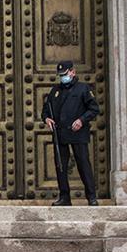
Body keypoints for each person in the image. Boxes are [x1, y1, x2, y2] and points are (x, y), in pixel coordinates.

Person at [40, 60, 100, 206]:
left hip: (78, 133)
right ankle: (64, 197)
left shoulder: (83, 89)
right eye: (61, 75)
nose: (63, 77)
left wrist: (81, 120)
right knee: (61, 166)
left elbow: (94, 109)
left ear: (73, 72)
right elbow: (46, 110)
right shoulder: (55, 91)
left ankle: (91, 197)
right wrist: (46, 118)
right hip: (60, 134)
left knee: (83, 164)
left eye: (65, 74)